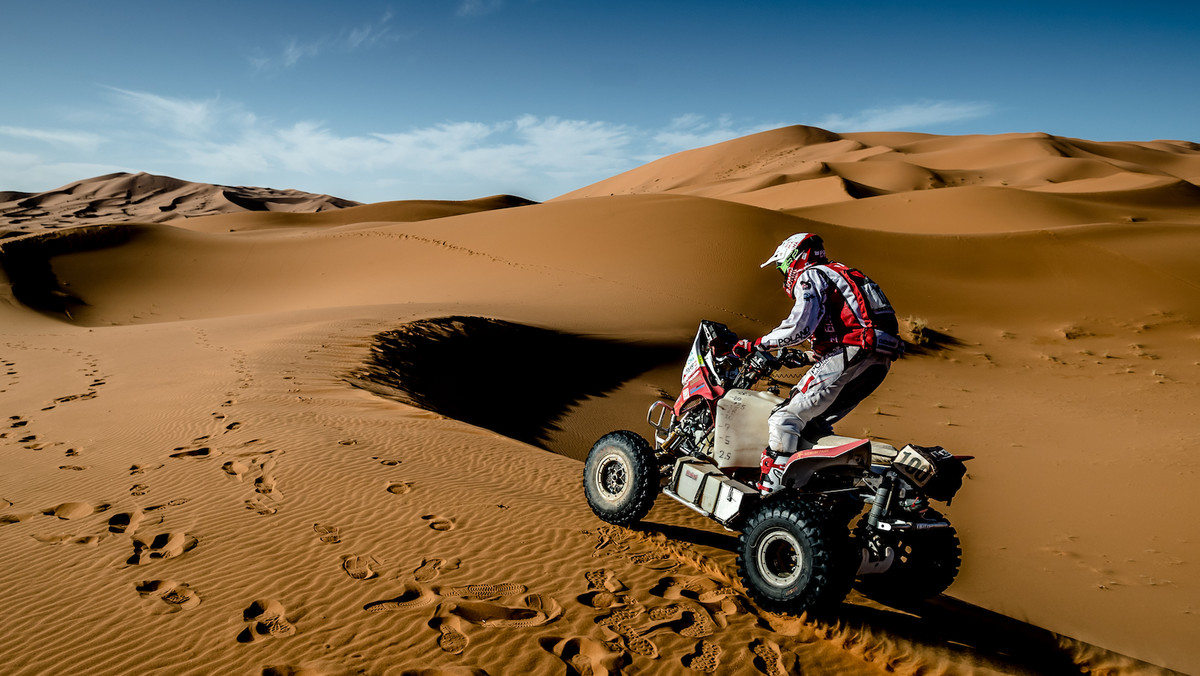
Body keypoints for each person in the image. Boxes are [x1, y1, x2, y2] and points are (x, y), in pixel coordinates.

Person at [731, 233, 904, 494]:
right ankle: (824, 485)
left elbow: (799, 326)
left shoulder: (811, 275)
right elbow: (848, 322)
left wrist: (759, 344)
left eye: (782, 267)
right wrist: (805, 356)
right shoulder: (841, 273)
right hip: (877, 359)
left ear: (794, 258)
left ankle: (773, 493)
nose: (784, 274)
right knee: (814, 425)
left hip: (853, 351)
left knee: (785, 417)